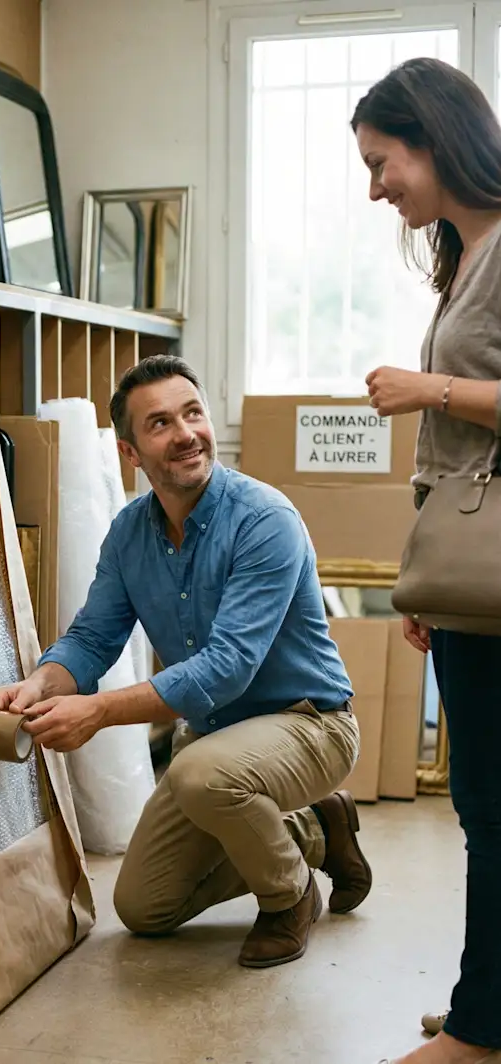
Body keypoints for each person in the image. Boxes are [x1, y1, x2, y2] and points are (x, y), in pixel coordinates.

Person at [0, 353, 372, 969]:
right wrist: (38, 684)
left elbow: (227, 667)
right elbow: (91, 639)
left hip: (311, 723)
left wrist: (99, 712)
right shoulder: (128, 534)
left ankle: (289, 895)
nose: (186, 432)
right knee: (146, 908)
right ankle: (316, 832)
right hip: (219, 739)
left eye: (193, 412)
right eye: (161, 423)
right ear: (131, 453)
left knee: (201, 776)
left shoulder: (263, 519)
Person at [352, 57, 501, 1064]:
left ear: (430, 136)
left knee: (491, 807)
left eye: (380, 161)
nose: (375, 188)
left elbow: (454, 416)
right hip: (468, 576)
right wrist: (421, 578)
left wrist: (427, 386)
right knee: (485, 804)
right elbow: (449, 462)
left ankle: (483, 1029)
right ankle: (482, 1002)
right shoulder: (466, 253)